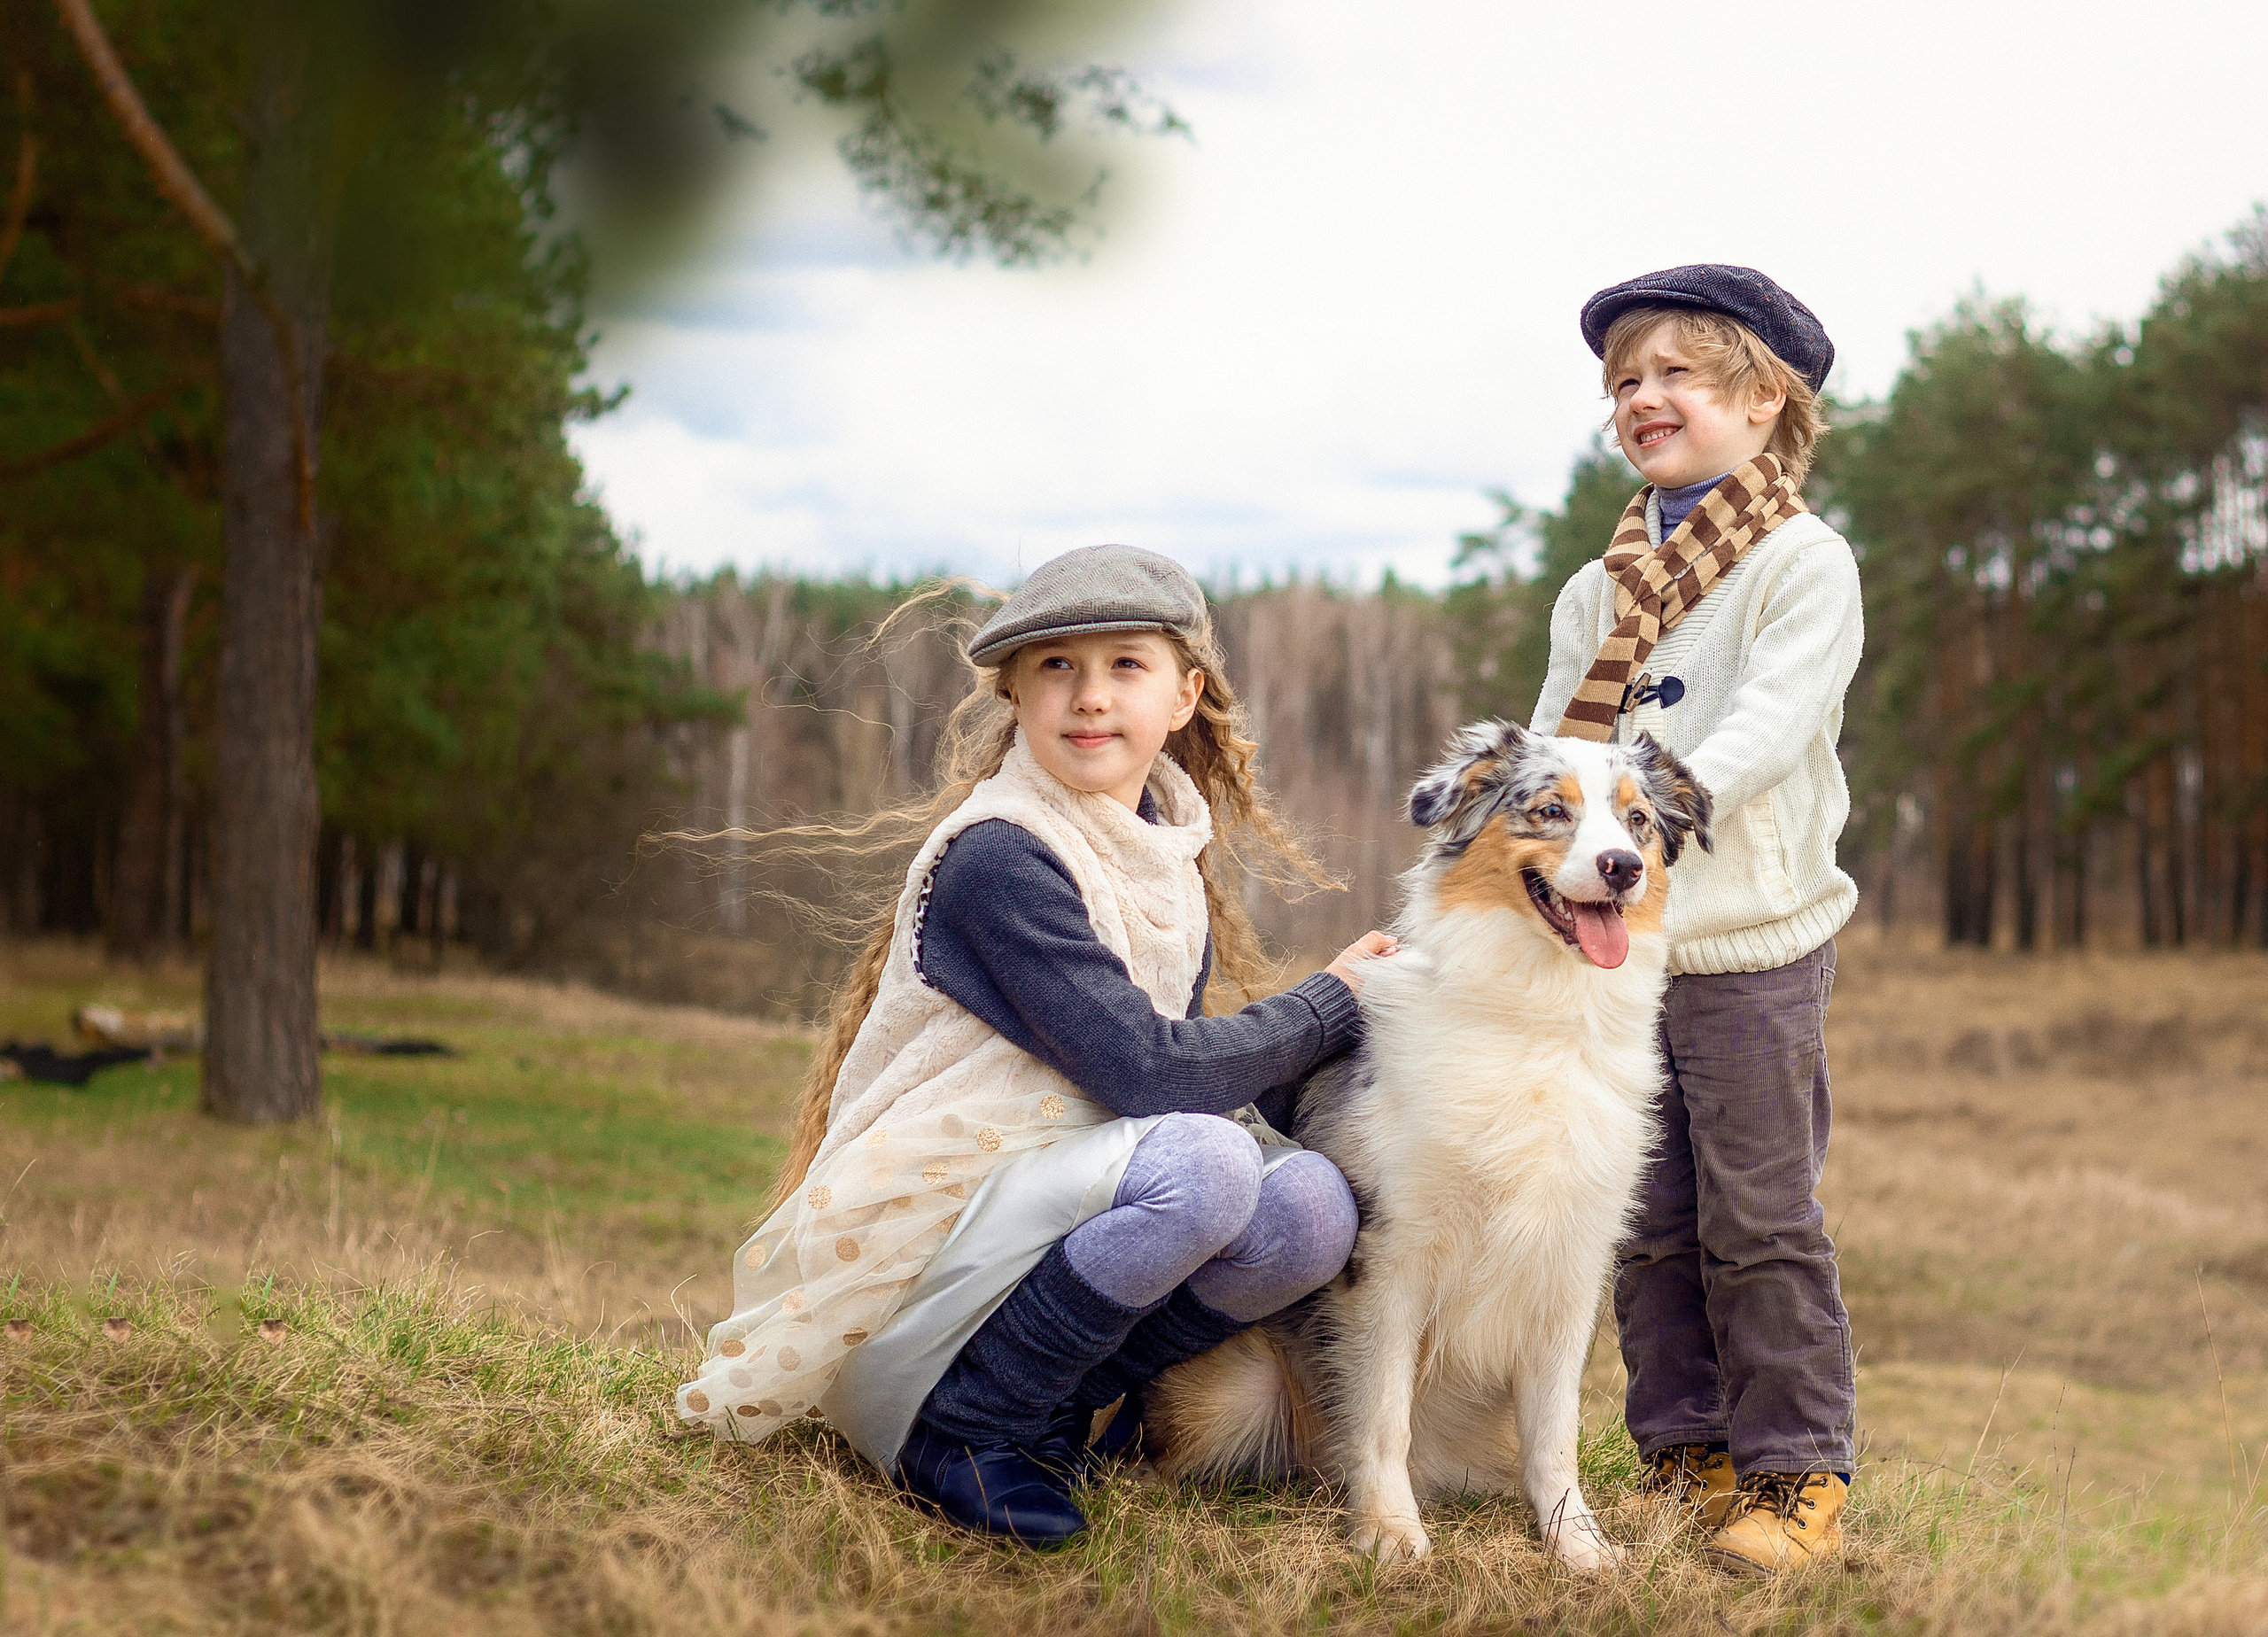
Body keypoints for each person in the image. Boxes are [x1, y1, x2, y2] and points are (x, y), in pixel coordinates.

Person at [676, 544, 1390, 1548]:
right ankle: (969, 1427)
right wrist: (1325, 1005)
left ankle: (1066, 1407)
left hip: (1045, 1209)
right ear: (1014, 693)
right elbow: (1142, 1072)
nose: (1089, 696)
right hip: (937, 1258)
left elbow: (1181, 1077)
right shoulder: (1003, 853)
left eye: (1125, 666)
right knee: (1205, 1164)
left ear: (1185, 697)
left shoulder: (1160, 854)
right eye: (1056, 665)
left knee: (1312, 1208)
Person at [1529, 266, 1863, 1576]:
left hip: (1746, 946)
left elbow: (1769, 724)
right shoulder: (1593, 592)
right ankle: (1685, 1450)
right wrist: (1542, 858)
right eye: (1622, 382)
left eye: (1674, 373)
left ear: (1764, 396)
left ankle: (1795, 1476)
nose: (1641, 398)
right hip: (1617, 946)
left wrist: (1651, 813)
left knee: (1757, 1215)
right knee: (1644, 1213)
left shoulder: (1801, 563)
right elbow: (1562, 746)